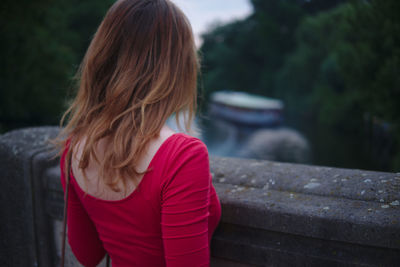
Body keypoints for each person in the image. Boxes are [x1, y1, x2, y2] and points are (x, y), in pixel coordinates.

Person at [54, 0, 221, 266]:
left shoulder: (74, 148)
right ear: (178, 68)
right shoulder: (183, 156)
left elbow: (88, 255)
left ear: (102, 56)